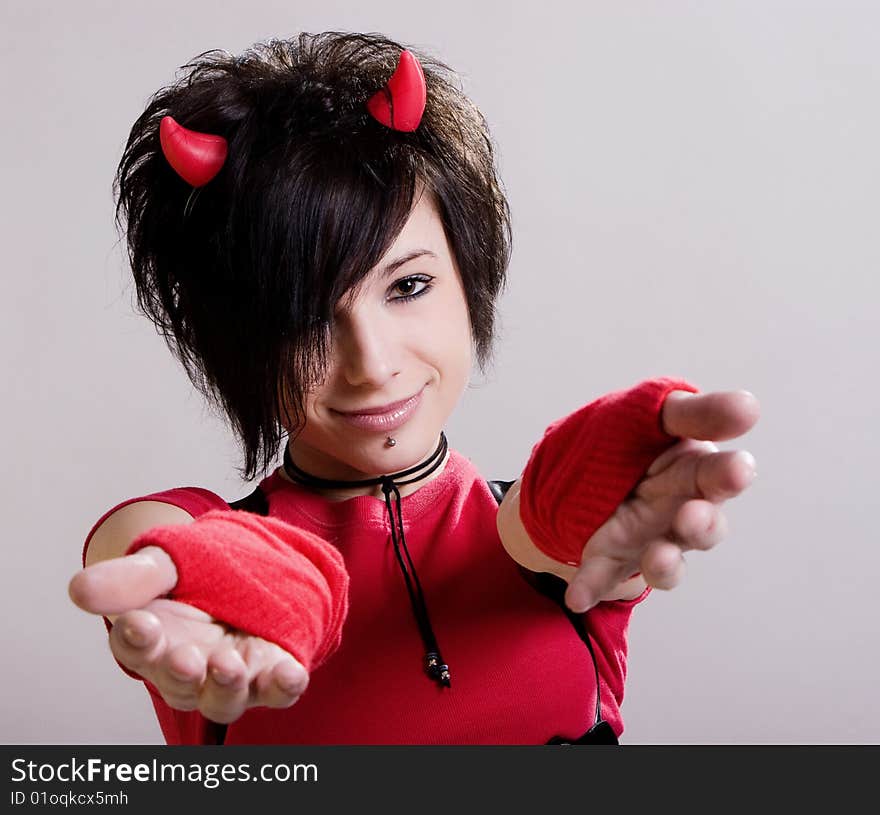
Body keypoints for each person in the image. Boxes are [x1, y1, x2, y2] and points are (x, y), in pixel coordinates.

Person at [69, 31, 759, 745]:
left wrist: (614, 460)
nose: (371, 363)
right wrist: (207, 576)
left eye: (408, 285)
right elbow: (150, 540)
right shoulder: (211, 577)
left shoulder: (539, 534)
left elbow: (545, 525)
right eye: (303, 317)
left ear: (469, 275)